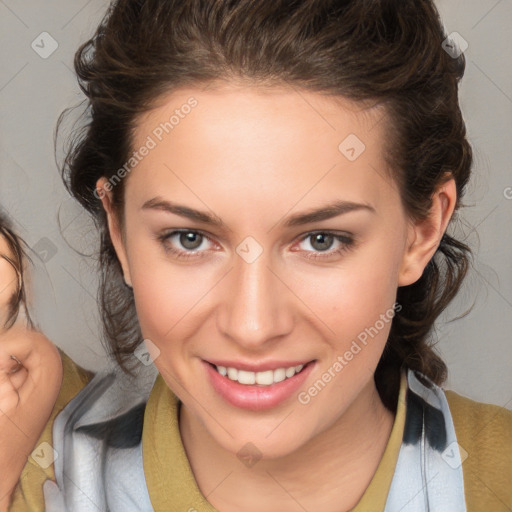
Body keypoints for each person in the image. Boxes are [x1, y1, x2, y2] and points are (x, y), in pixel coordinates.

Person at [1, 0, 511, 511]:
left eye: (321, 240)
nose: (252, 326)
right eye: (189, 238)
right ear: (119, 227)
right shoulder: (23, 456)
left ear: (421, 231)